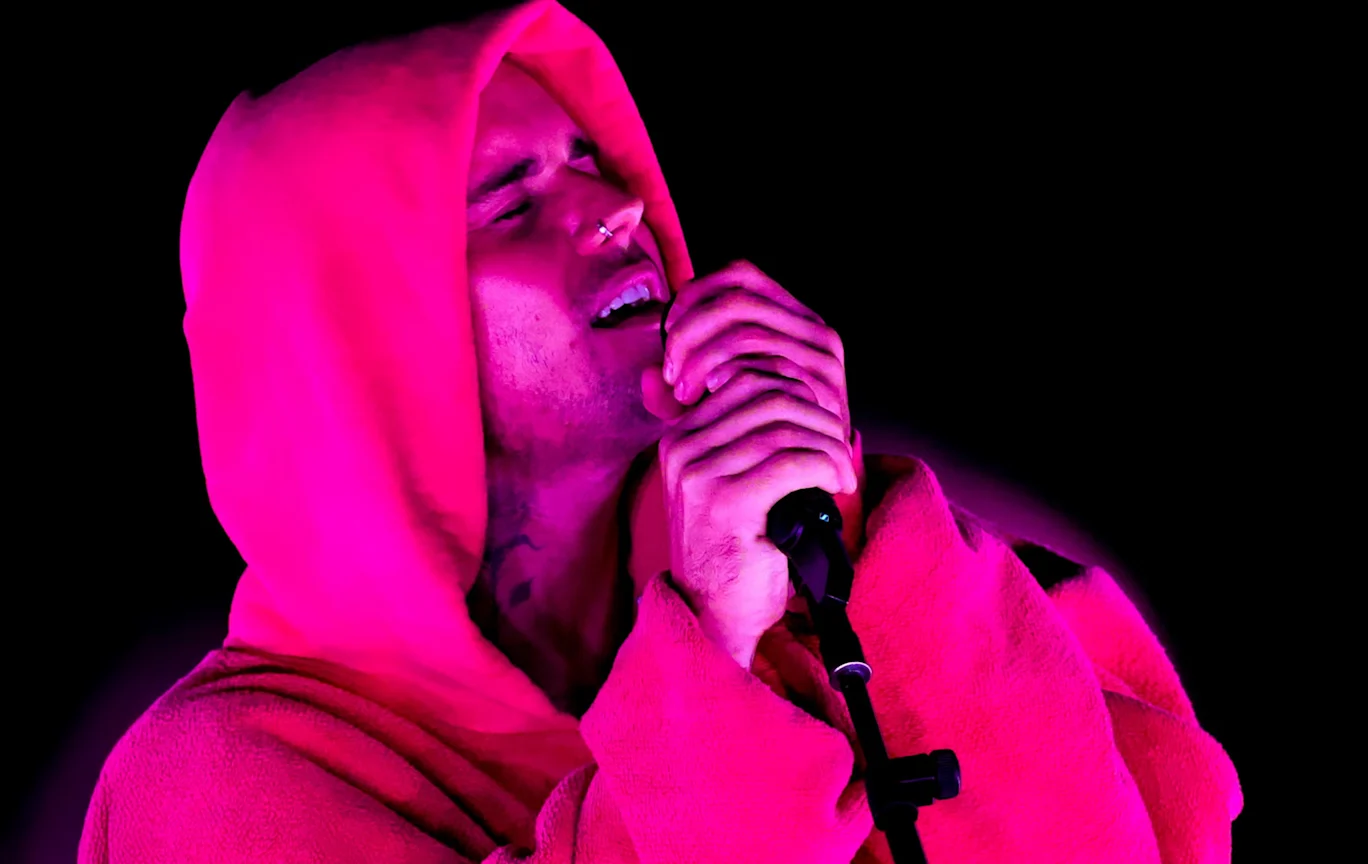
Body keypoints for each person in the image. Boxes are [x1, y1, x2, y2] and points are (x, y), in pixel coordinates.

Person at [80, 2, 1242, 861]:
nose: (620, 206)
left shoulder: (838, 576)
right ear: (359, 342)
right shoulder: (221, 780)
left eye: (593, 159)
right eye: (515, 204)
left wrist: (858, 550)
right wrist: (708, 664)